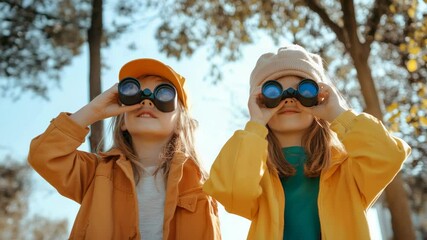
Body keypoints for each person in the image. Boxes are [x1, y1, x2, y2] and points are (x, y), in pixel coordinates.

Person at [203, 45, 411, 240]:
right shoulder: (255, 172)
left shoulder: (347, 170)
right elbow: (231, 191)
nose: (289, 99)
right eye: (274, 91)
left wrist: (338, 113)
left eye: (304, 90)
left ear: (320, 96)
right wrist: (256, 123)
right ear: (259, 100)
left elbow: (389, 156)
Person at [28, 58, 221, 240]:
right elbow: (44, 155)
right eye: (134, 93)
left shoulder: (202, 185)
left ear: (180, 123)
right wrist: (94, 111)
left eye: (163, 94)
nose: (147, 101)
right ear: (122, 123)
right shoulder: (95, 173)